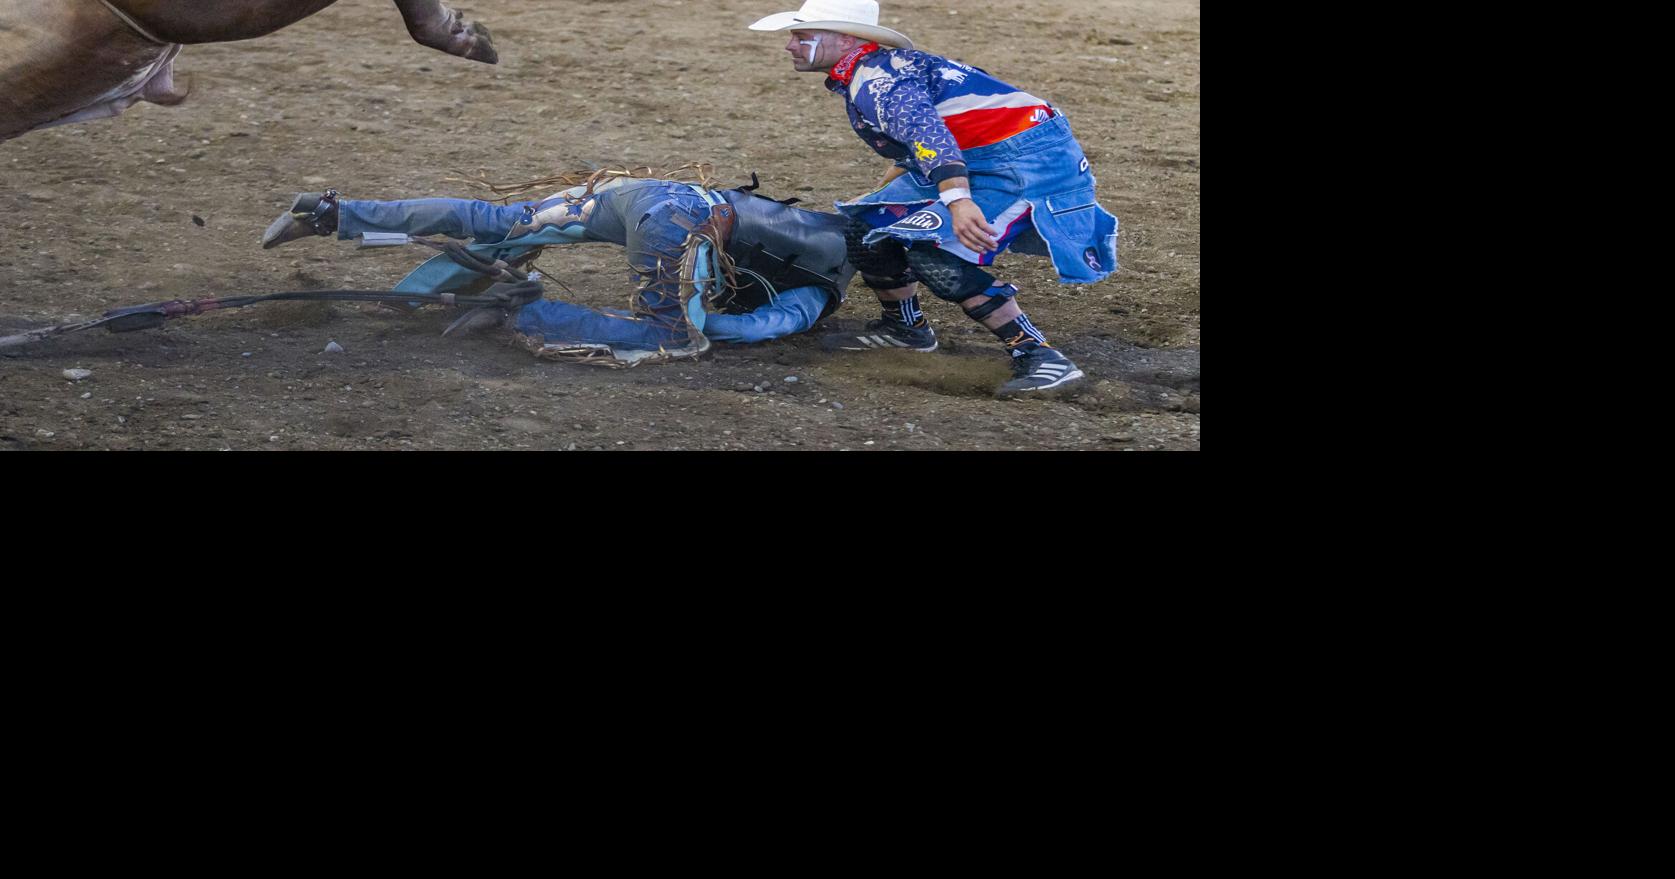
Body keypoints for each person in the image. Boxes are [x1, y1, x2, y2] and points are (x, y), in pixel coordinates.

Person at [749, 0, 1120, 396]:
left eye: (802, 36)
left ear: (846, 39)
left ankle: (1040, 354)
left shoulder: (880, 82)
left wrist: (959, 203)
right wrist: (883, 196)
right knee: (867, 224)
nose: (790, 45)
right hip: (990, 153)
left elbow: (931, 141)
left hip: (1026, 162)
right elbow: (917, 143)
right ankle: (905, 327)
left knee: (936, 250)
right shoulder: (878, 71)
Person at [258, 172, 857, 364]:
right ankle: (521, 312)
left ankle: (336, 212)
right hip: (682, 225)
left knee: (495, 221)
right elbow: (749, 328)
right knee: (676, 339)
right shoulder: (825, 287)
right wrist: (695, 315)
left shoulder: (828, 224)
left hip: (643, 193)